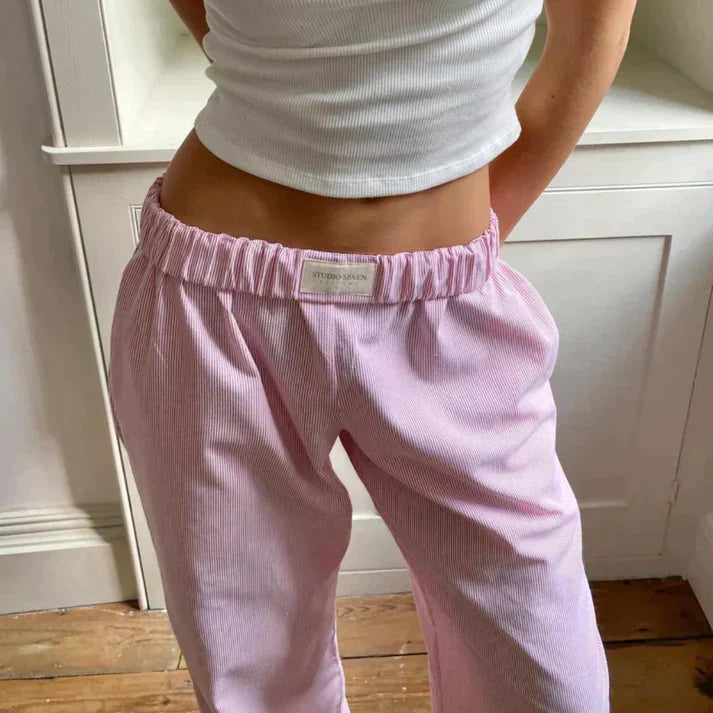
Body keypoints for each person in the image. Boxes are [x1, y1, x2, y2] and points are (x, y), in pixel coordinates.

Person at [108, 1, 637, 711]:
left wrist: (466, 248)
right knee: (252, 675)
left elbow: (593, 34)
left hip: (448, 301)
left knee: (552, 682)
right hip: (213, 301)